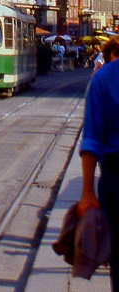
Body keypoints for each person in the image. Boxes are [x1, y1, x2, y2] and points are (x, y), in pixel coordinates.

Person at [77, 36, 119, 288]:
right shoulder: (102, 79)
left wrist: (87, 193)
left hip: (115, 180)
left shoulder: (103, 79)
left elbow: (91, 140)